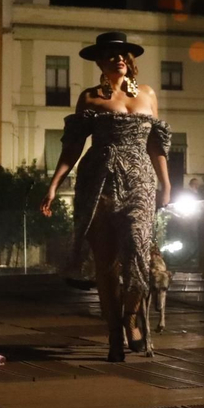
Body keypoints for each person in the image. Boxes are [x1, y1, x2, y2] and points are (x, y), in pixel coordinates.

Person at [41, 31, 171, 362]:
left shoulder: (147, 94)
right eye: (111, 55)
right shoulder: (89, 98)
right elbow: (72, 146)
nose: (118, 58)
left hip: (140, 184)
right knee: (106, 265)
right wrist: (55, 184)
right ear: (99, 61)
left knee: (139, 258)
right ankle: (114, 333)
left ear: (130, 59)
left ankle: (130, 316)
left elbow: (156, 144)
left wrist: (166, 184)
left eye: (123, 54)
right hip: (97, 182)